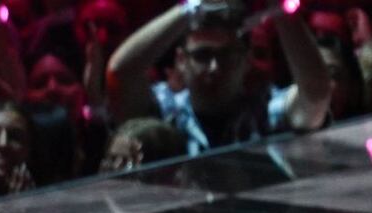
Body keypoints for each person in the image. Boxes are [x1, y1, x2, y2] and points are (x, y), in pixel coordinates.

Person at [106, 0, 331, 155]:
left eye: (227, 56)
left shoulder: (264, 110)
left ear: (245, 61)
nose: (214, 68)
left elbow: (316, 94)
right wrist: (192, 7)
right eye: (202, 55)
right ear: (181, 61)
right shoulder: (166, 109)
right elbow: (119, 75)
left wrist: (280, 8)